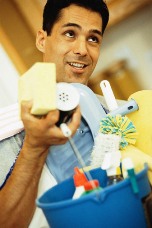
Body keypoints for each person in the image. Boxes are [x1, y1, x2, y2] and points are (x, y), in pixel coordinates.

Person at [0, 0, 109, 227]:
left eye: (93, 39)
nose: (82, 49)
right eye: (70, 33)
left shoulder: (112, 114)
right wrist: (35, 145)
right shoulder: (8, 135)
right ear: (42, 39)